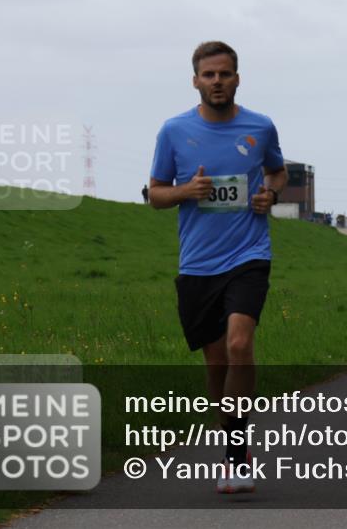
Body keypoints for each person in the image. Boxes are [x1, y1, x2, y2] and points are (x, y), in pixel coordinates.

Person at [148, 41, 287, 494]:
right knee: (216, 363)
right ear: (195, 81)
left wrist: (270, 193)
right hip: (198, 264)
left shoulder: (260, 126)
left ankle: (234, 459)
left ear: (237, 78)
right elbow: (155, 195)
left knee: (240, 342)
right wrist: (186, 191)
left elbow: (277, 173)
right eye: (208, 75)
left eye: (225, 74)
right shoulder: (173, 131)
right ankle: (235, 441)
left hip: (249, 255)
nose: (217, 81)